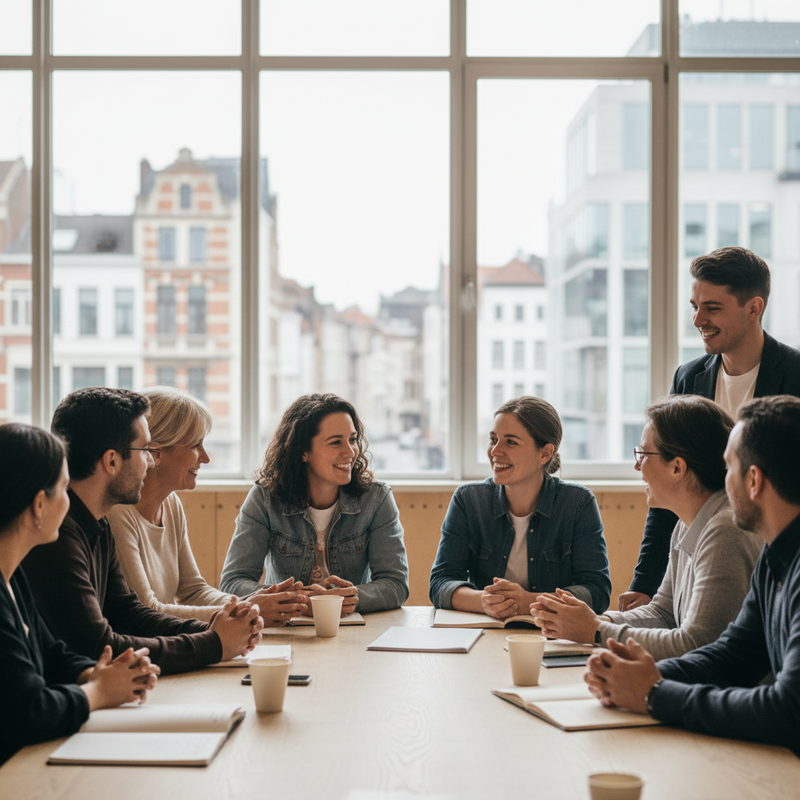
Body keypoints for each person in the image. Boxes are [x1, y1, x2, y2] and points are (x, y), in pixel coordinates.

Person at [584, 396, 800, 755]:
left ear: (753, 481)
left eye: (728, 468)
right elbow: (733, 655)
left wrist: (655, 693)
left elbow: (789, 711)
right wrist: (636, 675)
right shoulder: (776, 555)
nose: (721, 482)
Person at [23, 387, 264, 674]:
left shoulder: (96, 523)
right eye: (144, 450)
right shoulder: (58, 535)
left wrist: (216, 629)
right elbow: (96, 645)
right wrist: (213, 643)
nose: (150, 460)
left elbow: (128, 613)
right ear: (111, 461)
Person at [623, 247, 800, 611]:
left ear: (754, 308)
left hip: (782, 565)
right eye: (695, 306)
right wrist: (646, 582)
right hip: (705, 561)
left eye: (712, 308)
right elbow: (668, 483)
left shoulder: (796, 374)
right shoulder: (688, 377)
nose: (698, 319)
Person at [531, 396, 762, 660]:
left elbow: (696, 644)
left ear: (677, 467)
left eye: (643, 454)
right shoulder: (686, 525)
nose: (637, 465)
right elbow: (663, 613)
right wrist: (596, 619)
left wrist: (594, 630)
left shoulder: (724, 532)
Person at [0, 423, 159, 765]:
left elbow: (53, 655)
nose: (69, 500)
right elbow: (29, 712)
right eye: (63, 488)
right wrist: (100, 691)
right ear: (39, 504)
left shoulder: (12, 578)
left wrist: (105, 673)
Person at [108, 386, 307, 624]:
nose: (206, 457)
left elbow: (193, 590)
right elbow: (146, 609)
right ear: (156, 452)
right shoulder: (117, 513)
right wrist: (246, 608)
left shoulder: (171, 504)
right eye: (195, 446)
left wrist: (251, 602)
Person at [220, 393, 409, 614]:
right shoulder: (264, 499)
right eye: (336, 442)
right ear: (303, 452)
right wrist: (296, 600)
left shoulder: (376, 499)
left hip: (351, 628)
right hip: (286, 628)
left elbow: (395, 584)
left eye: (353, 439)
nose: (350, 452)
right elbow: (233, 582)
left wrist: (344, 599)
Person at [429, 396, 611, 617]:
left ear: (544, 453)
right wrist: (485, 602)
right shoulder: (468, 500)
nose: (495, 451)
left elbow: (597, 591)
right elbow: (440, 583)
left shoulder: (578, 504)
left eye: (511, 442)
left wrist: (529, 602)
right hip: (484, 632)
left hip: (553, 635)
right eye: (493, 439)